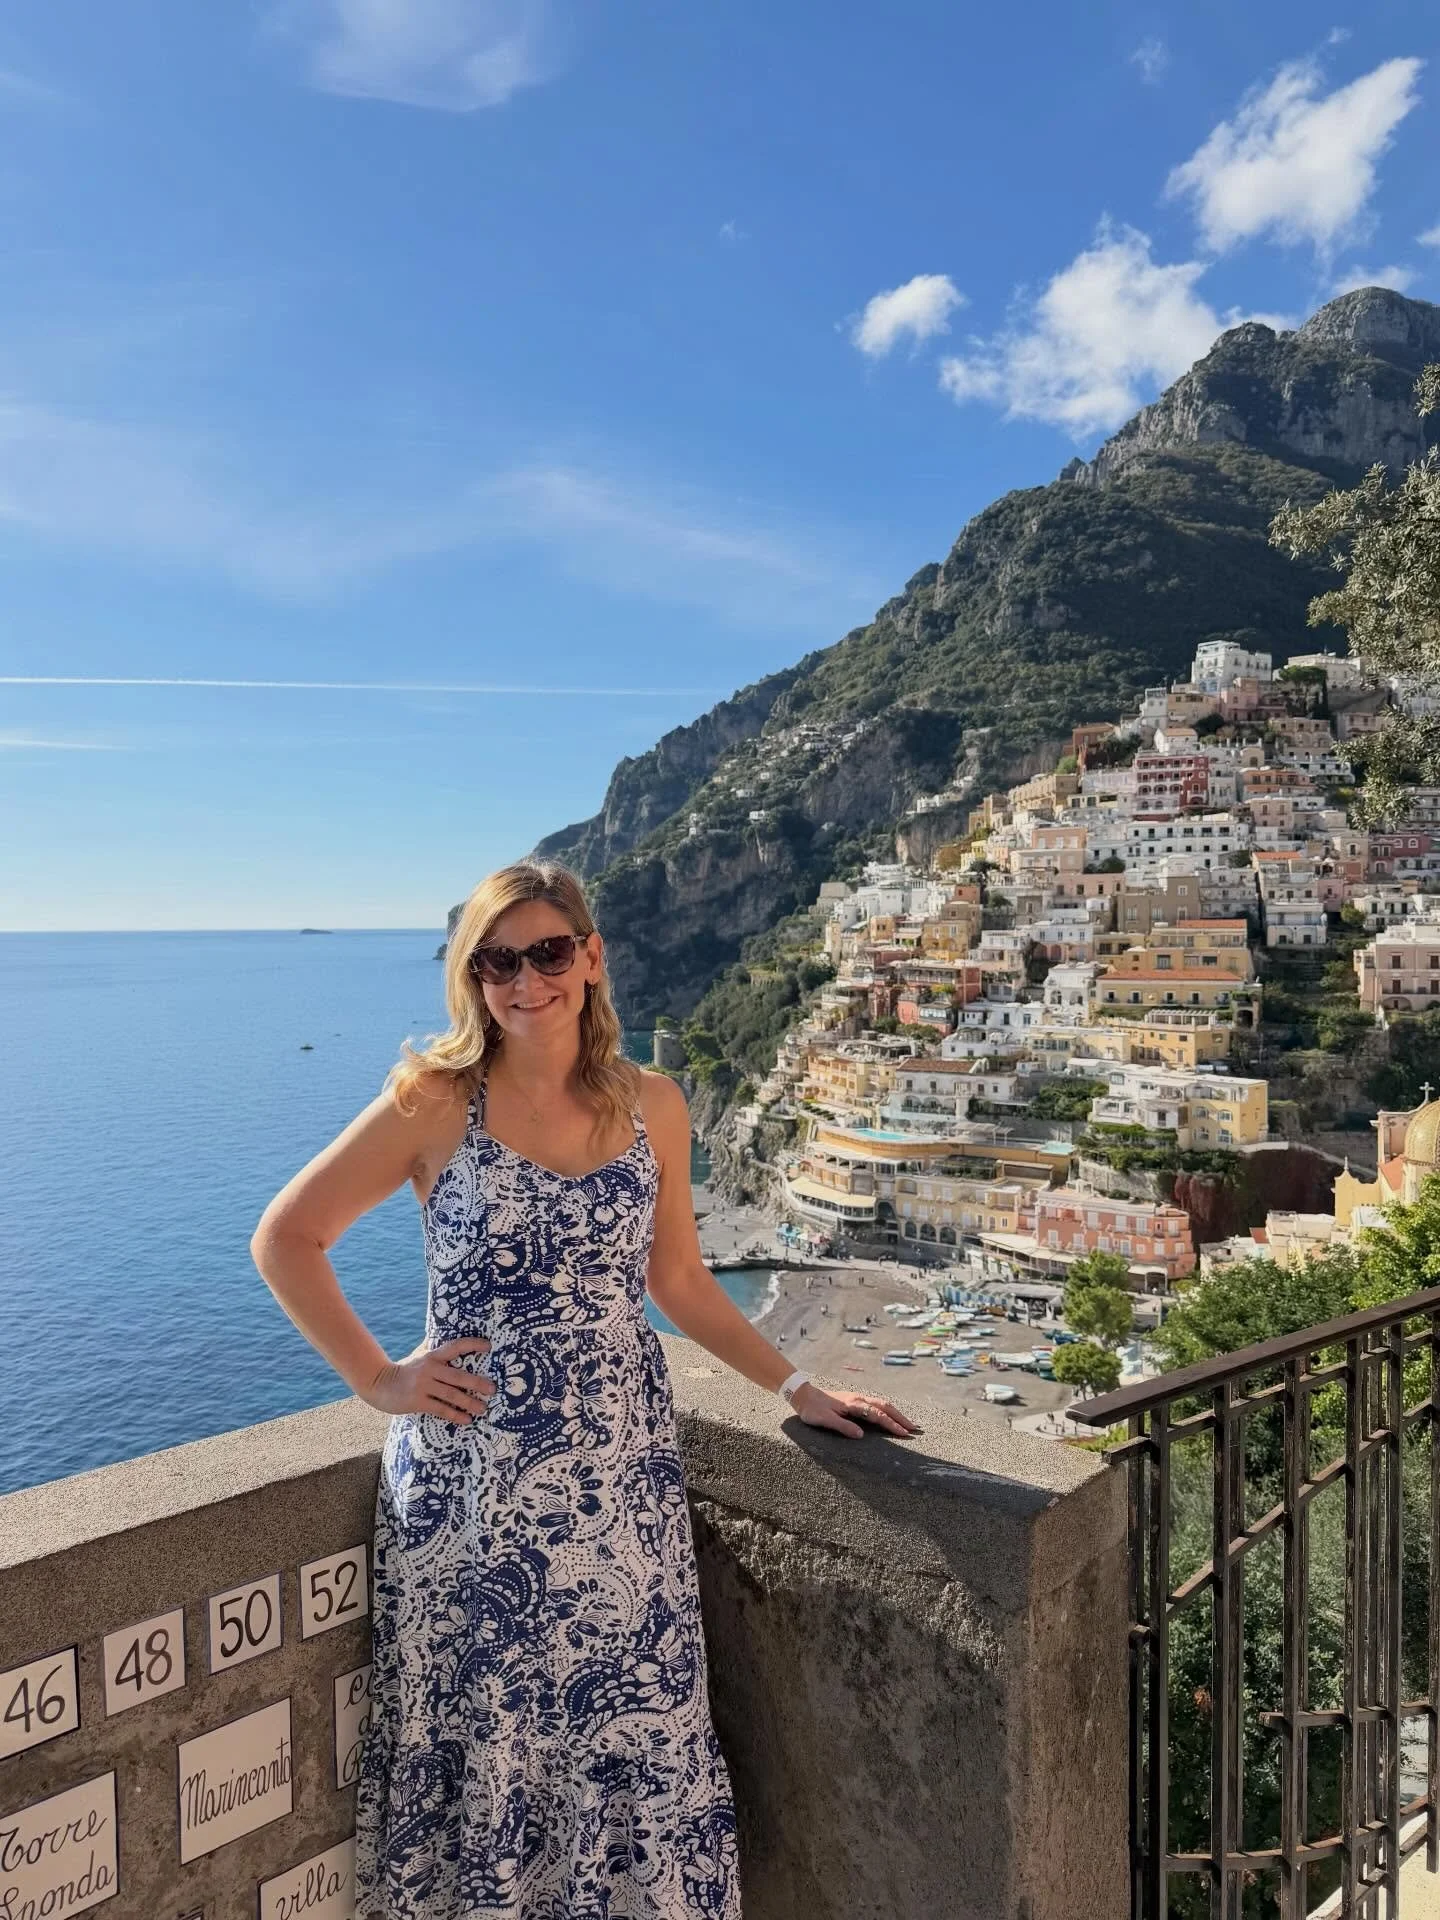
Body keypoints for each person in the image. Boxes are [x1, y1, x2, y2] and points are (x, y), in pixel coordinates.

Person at [251, 859, 920, 1919]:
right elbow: (287, 1237)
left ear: (592, 956)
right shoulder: (433, 1102)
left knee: (636, 1719)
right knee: (497, 1738)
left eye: (549, 952)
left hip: (624, 1483)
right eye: (497, 961)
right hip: (476, 1493)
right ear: (473, 978)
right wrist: (379, 1379)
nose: (527, 981)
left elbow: (679, 1281)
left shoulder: (653, 1105)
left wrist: (797, 1386)